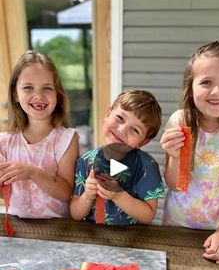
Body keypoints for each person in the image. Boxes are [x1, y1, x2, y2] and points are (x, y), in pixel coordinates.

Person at [160, 41, 219, 264]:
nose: (217, 91)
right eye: (206, 82)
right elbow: (175, 184)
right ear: (190, 87)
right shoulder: (181, 121)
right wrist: (175, 156)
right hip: (176, 227)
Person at [0, 50, 79, 218]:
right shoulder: (4, 142)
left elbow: (66, 192)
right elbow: (3, 193)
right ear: (15, 94)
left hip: (59, 232)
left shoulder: (66, 139)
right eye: (28, 87)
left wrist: (33, 173)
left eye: (47, 88)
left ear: (57, 94)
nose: (38, 95)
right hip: (17, 230)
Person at [70, 89, 165, 225]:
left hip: (132, 239)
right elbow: (76, 214)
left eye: (135, 130)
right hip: (91, 238)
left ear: (143, 142)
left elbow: (148, 215)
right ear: (108, 113)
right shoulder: (85, 161)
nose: (121, 130)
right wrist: (88, 195)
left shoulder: (146, 166)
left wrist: (118, 195)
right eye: (120, 118)